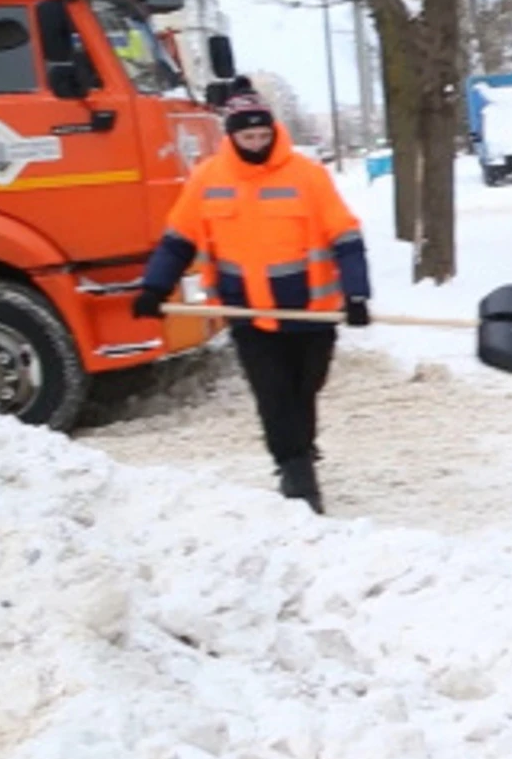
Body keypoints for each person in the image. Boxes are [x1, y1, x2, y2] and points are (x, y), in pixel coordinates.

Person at [133, 78, 372, 514]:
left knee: (304, 390)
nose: (257, 144)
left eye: (263, 135)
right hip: (248, 316)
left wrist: (357, 294)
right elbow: (177, 240)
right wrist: (154, 286)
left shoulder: (307, 176)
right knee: (273, 393)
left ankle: (299, 444)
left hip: (311, 315)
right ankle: (296, 473)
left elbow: (346, 236)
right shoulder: (208, 178)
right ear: (232, 135)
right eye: (248, 136)